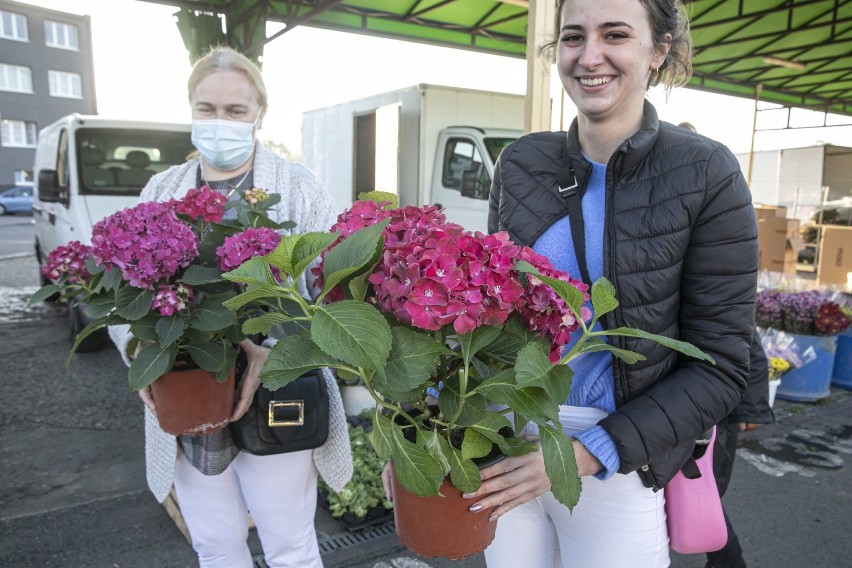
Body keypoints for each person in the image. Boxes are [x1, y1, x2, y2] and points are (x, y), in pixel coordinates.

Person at [477, 0, 760, 566]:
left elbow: (721, 366)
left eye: (615, 35)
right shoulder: (521, 163)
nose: (590, 56)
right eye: (574, 37)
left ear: (658, 50)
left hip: (616, 455)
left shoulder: (705, 173)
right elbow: (485, 314)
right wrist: (424, 424)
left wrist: (583, 452)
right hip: (509, 437)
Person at [107, 46, 352, 568]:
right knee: (215, 547)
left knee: (290, 546)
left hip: (279, 392)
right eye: (207, 109)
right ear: (191, 111)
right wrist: (144, 349)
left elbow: (333, 292)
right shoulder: (161, 188)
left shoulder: (298, 189)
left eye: (235, 111)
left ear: (260, 113)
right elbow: (122, 300)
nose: (220, 122)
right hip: (189, 392)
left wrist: (274, 351)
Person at [677, 121, 775, 568]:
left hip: (715, 406)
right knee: (680, 494)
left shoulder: (721, 226)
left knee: (705, 493)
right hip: (679, 396)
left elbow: (743, 336)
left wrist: (752, 406)